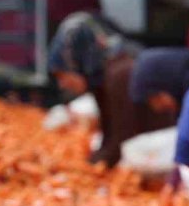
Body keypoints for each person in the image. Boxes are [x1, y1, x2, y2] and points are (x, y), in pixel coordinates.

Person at [48, 11, 156, 166]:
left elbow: (122, 142)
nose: (62, 84)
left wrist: (88, 167)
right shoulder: (102, 80)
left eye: (63, 75)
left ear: (80, 61)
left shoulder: (120, 75)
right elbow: (110, 138)